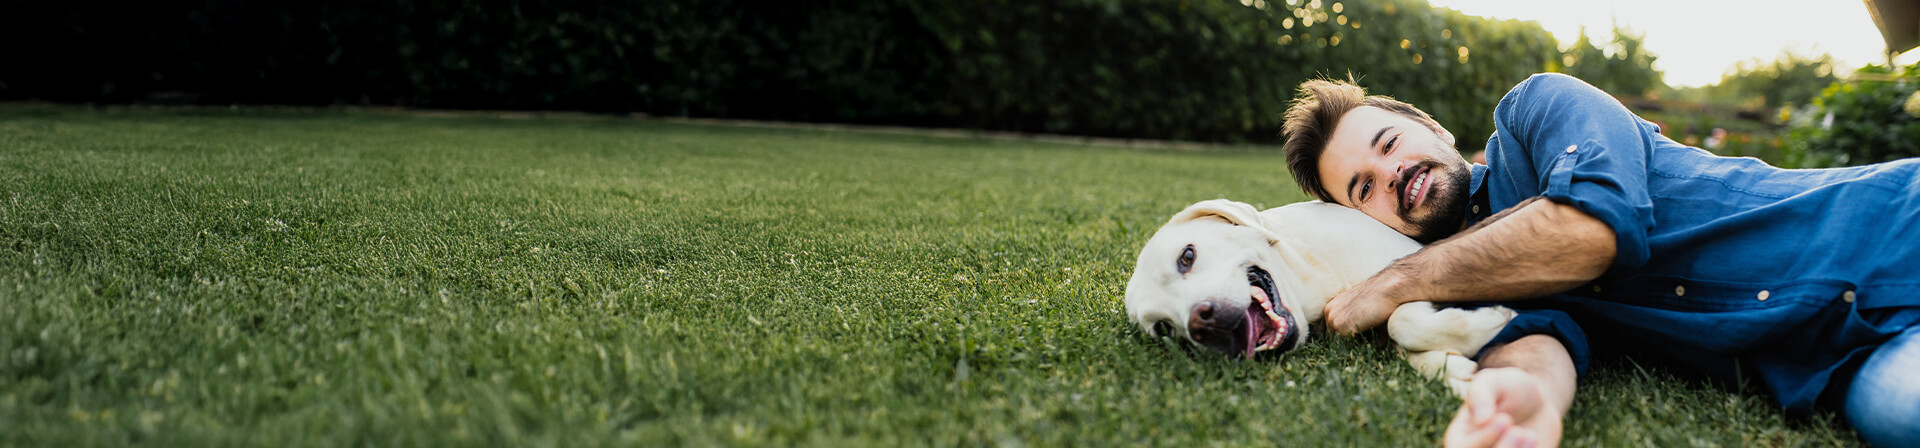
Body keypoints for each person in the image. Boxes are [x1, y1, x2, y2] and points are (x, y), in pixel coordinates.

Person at [1279, 73, 1920, 447]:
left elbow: (1590, 229)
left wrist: (1396, 280)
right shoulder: (1458, 286)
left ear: (1436, 129)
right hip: (1836, 363)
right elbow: (1537, 338)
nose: (1390, 174)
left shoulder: (1537, 107)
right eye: (1363, 188)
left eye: (1389, 143)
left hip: (1892, 225)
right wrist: (1527, 396)